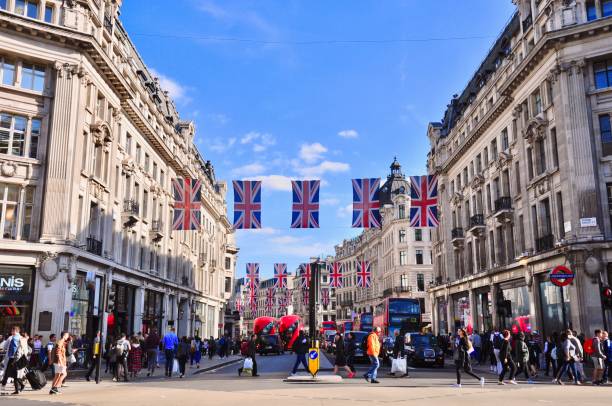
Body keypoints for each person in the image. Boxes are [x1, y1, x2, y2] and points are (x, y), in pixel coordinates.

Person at [1, 326, 26, 395]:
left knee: (10, 372)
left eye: (12, 331)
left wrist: (11, 356)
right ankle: (18, 388)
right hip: (21, 358)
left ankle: (17, 388)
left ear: (14, 331)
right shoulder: (22, 338)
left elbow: (14, 349)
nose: (11, 332)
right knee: (15, 373)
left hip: (13, 358)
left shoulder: (14, 338)